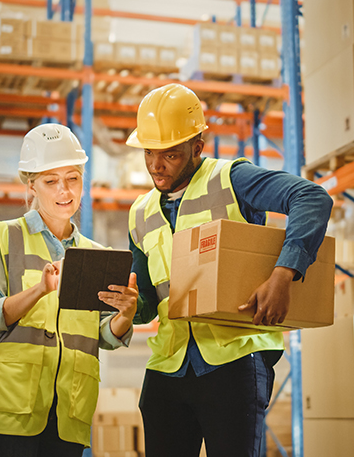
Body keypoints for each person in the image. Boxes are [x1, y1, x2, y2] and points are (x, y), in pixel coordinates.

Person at [125, 83, 333, 457]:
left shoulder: (232, 179)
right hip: (167, 366)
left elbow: (311, 198)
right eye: (150, 153)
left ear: (198, 147)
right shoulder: (139, 212)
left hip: (234, 359)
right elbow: (145, 301)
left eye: (170, 154)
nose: (156, 165)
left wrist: (284, 273)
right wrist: (126, 307)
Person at [0, 123, 138, 457]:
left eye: (73, 178)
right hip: (11, 409)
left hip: (68, 412)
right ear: (31, 186)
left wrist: (125, 315)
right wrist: (40, 290)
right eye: (51, 181)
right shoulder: (5, 236)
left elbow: (103, 336)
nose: (65, 191)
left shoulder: (96, 253)